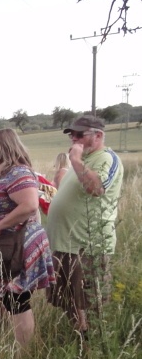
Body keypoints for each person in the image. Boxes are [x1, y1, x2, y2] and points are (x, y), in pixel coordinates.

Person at [0, 129, 55, 348]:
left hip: (18, 245)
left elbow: (29, 205)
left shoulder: (19, 172)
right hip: (9, 244)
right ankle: (21, 349)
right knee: (12, 299)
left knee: (16, 299)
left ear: (2, 147)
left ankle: (24, 353)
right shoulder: (7, 173)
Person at [46, 115, 124, 332]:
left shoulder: (106, 158)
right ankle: (81, 339)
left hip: (87, 246)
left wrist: (76, 161)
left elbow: (97, 188)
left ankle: (94, 343)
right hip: (64, 243)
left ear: (98, 135)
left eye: (79, 134)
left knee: (90, 303)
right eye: (71, 134)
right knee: (68, 299)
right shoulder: (81, 159)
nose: (74, 138)